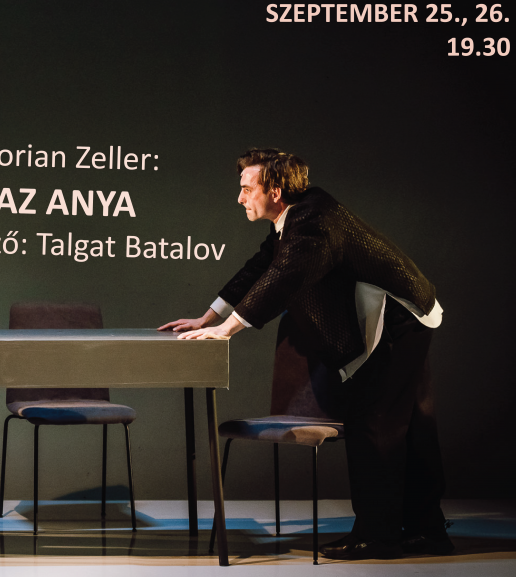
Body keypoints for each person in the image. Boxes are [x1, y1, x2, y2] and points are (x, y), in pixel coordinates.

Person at [159, 149, 451, 560]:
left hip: (396, 321)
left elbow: (283, 278)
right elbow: (261, 266)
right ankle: (428, 531)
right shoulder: (297, 216)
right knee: (410, 426)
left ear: (275, 191)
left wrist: (227, 330)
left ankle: (378, 536)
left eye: (247, 189)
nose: (240, 198)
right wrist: (209, 316)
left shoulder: (313, 223)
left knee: (375, 425)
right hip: (408, 316)